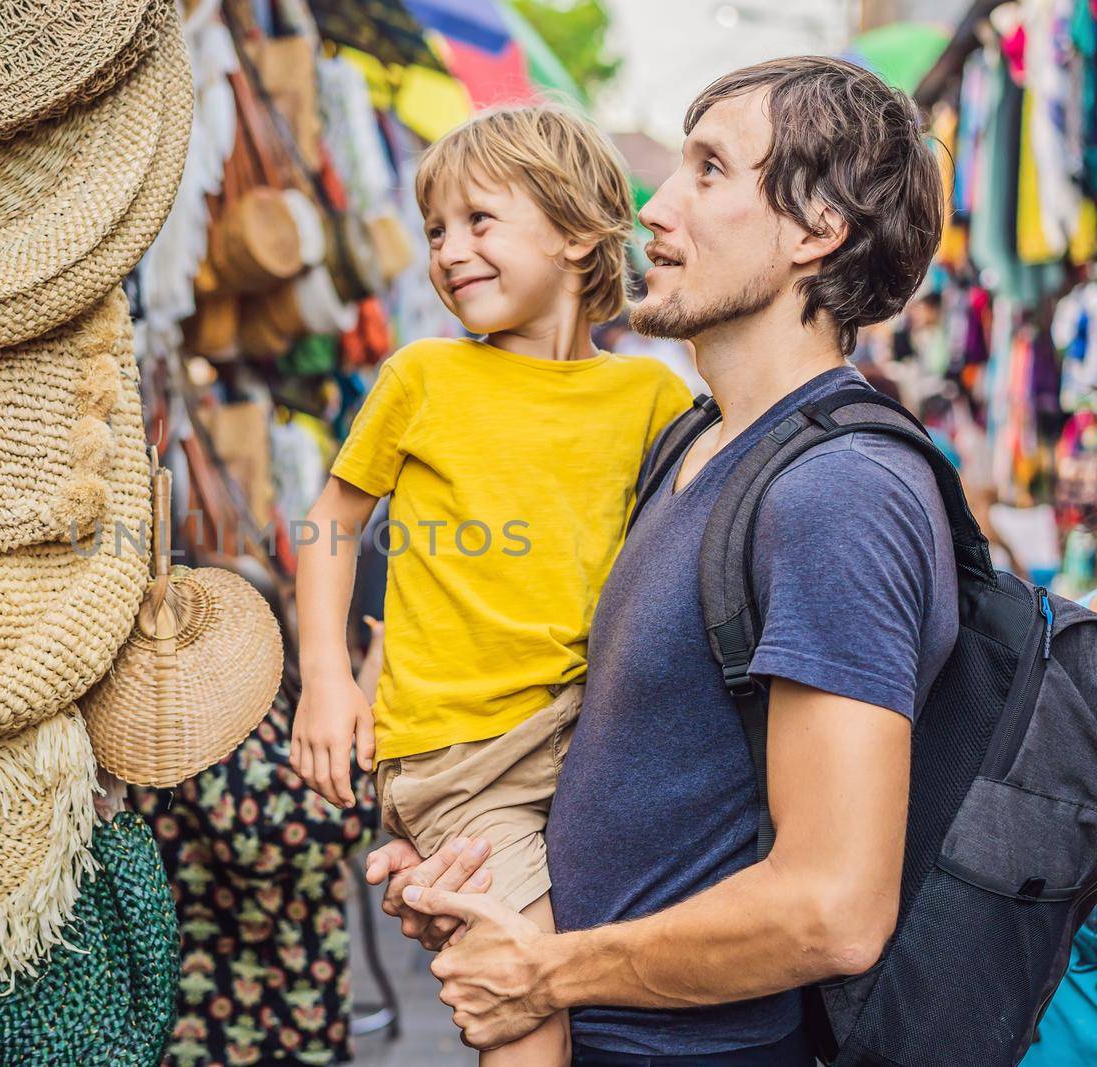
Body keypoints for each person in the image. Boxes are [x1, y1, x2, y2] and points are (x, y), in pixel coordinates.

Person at [371, 57, 954, 1066]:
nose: (656, 208)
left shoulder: (839, 495)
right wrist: (481, 886)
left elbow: (831, 907)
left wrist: (548, 967)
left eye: (709, 171)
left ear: (817, 231)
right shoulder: (688, 445)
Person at [292, 104, 692, 1067]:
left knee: (619, 983)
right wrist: (326, 676)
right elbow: (331, 522)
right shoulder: (423, 377)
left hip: (593, 737)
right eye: (437, 229)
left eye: (480, 220)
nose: (449, 250)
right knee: (525, 1004)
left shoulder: (654, 399)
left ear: (575, 232)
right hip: (462, 755)